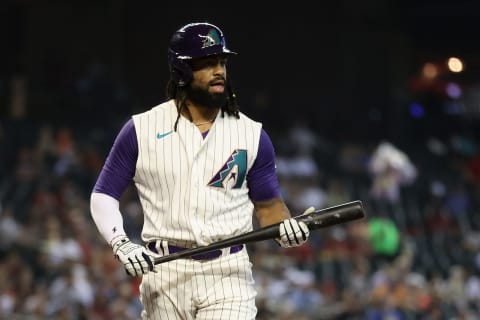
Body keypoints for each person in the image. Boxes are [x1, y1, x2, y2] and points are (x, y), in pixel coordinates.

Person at [90, 21, 313, 320]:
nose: (219, 70)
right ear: (182, 71)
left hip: (228, 273)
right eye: (207, 64)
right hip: (164, 272)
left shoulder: (252, 134)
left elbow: (270, 207)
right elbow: (103, 195)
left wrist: (287, 229)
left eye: (221, 62)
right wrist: (121, 243)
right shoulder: (140, 129)